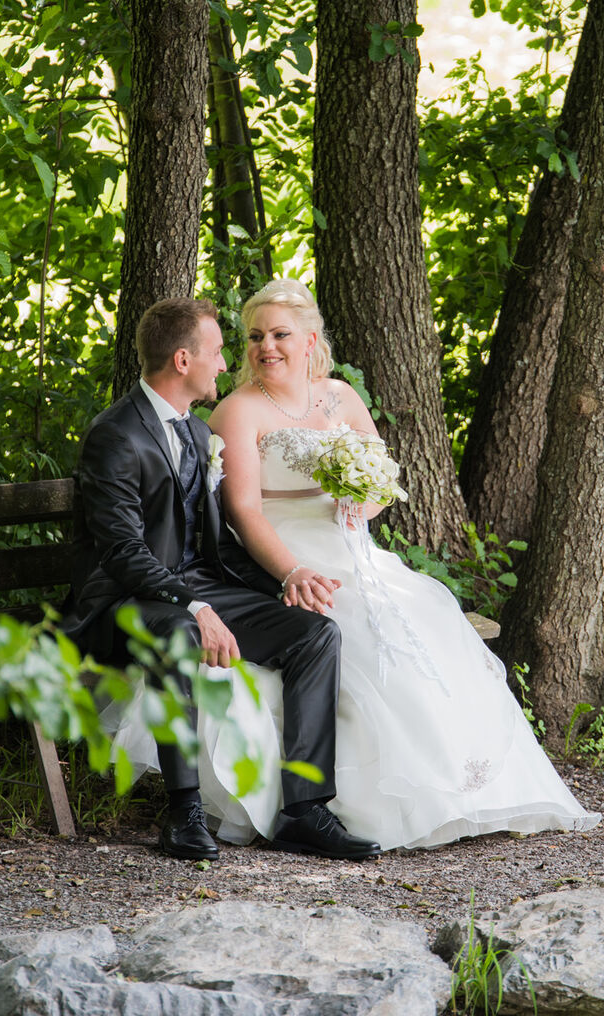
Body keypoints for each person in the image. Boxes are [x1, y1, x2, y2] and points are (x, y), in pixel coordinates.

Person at [132, 276, 598, 850]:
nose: (265, 347)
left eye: (279, 334)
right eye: (254, 336)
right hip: (284, 550)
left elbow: (381, 481)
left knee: (425, 622)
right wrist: (291, 572)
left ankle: (460, 794)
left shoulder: (340, 397)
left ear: (309, 340)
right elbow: (244, 512)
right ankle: (341, 807)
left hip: (351, 543)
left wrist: (361, 501)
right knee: (351, 636)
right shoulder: (237, 412)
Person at [59, 297, 380, 862]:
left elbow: (215, 542)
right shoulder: (116, 435)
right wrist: (195, 607)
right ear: (183, 361)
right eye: (216, 351)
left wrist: (280, 584)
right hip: (123, 599)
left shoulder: (194, 431)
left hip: (194, 585)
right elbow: (122, 552)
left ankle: (304, 810)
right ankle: (182, 812)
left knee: (314, 633)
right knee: (178, 632)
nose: (228, 362)